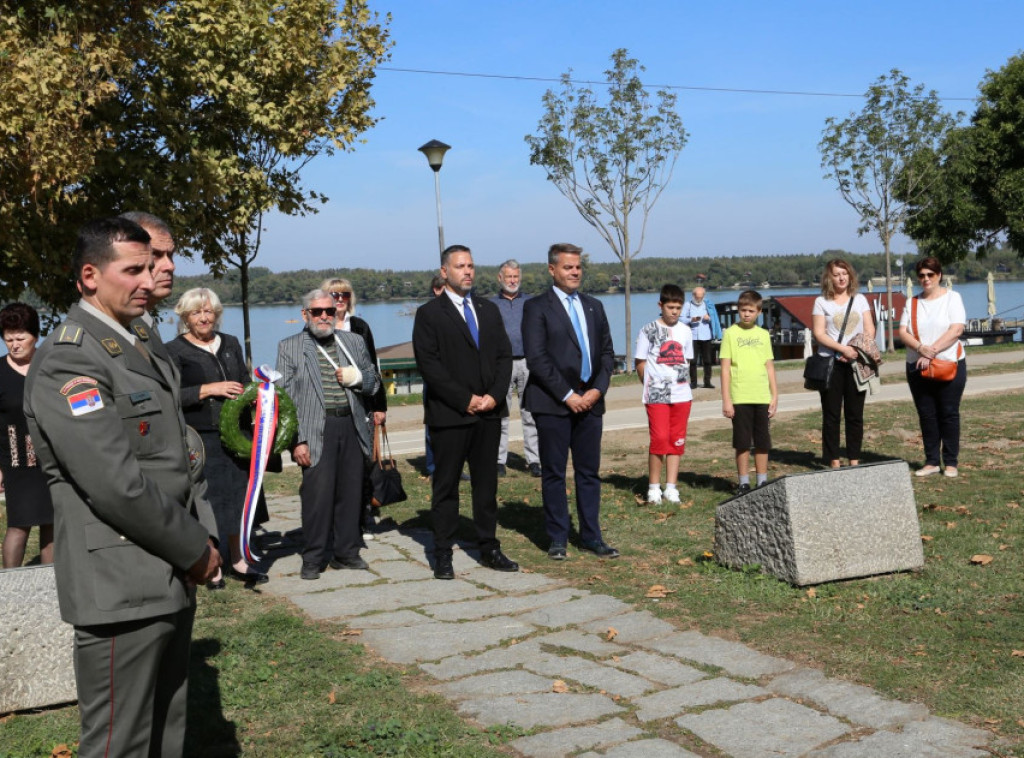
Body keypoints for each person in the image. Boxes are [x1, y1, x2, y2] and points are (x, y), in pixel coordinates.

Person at [24, 217, 220, 758]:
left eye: (149, 266)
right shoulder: (70, 357)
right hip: (121, 586)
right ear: (89, 276)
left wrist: (201, 540)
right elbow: (116, 484)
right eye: (132, 269)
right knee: (121, 744)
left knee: (167, 732)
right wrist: (194, 548)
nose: (148, 278)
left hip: (167, 572)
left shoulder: (135, 340)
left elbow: (175, 457)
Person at [413, 245, 518, 580]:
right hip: (451, 415)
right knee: (446, 488)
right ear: (445, 272)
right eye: (460, 266)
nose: (468, 271)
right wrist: (465, 399)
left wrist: (494, 395)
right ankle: (443, 552)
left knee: (486, 487)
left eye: (471, 265)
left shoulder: (488, 309)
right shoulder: (429, 314)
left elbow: (504, 356)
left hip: (488, 414)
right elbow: (429, 365)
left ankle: (488, 547)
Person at [523, 243, 617, 560]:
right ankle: (558, 538)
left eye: (577, 267)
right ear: (552, 270)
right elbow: (537, 358)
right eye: (568, 267)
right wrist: (568, 395)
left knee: (589, 472)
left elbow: (607, 355)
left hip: (591, 402)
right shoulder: (536, 307)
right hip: (553, 403)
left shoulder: (594, 306)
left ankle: (591, 536)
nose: (574, 272)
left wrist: (595, 391)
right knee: (554, 472)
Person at [166, 288, 265, 588]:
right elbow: (170, 395)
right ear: (185, 316)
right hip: (201, 437)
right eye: (196, 312)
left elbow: (245, 382)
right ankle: (212, 564)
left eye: (208, 311)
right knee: (207, 501)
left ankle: (238, 559)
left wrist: (257, 395)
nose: (204, 317)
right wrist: (209, 389)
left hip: (238, 435)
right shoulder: (174, 350)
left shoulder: (232, 344)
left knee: (238, 497)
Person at [276, 289, 378, 580]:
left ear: (337, 312)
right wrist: (297, 441)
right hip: (315, 430)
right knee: (317, 498)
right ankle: (314, 557)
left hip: (351, 425)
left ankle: (346, 553)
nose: (324, 316)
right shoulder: (290, 347)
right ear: (305, 314)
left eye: (329, 311)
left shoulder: (354, 342)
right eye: (317, 311)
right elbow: (285, 400)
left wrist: (358, 378)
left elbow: (373, 383)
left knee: (351, 493)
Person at [321, 277, 387, 539]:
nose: (339, 299)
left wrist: (380, 406)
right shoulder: (318, 325)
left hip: (361, 403)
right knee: (332, 468)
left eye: (344, 294)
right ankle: (332, 521)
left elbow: (373, 367)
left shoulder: (360, 326)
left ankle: (362, 519)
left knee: (361, 465)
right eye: (334, 294)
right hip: (330, 405)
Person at [898, 256, 967, 478]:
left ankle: (951, 462)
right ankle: (931, 461)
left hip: (949, 364)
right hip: (917, 366)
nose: (926, 279)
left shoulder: (953, 298)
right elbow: (903, 332)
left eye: (930, 274)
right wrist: (920, 349)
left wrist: (932, 351)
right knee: (926, 414)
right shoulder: (912, 303)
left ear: (939, 275)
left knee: (948, 413)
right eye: (922, 275)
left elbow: (956, 330)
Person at [0, 303, 54, 567]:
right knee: (19, 524)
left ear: (36, 336)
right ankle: (9, 587)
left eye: (21, 338)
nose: (14, 345)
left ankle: (49, 585)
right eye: (8, 339)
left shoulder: (51, 365)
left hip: (53, 456)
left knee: (51, 522)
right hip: (15, 459)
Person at [811, 260, 875, 468]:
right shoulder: (821, 302)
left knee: (855, 414)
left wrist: (856, 350)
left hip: (857, 362)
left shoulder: (860, 299)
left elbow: (869, 329)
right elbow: (819, 333)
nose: (841, 278)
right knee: (831, 415)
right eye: (837, 274)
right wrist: (842, 349)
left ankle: (854, 459)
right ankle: (834, 459)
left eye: (844, 273)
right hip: (831, 363)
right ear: (829, 278)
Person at [634, 284, 694, 505]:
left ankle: (671, 487)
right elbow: (640, 361)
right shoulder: (648, 330)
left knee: (676, 440)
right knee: (659, 439)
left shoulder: (686, 331)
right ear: (661, 305)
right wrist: (648, 383)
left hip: (681, 394)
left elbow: (686, 360)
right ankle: (653, 487)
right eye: (670, 307)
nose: (674, 312)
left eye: (678, 307)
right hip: (657, 394)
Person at [720, 289, 778, 494]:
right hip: (740, 396)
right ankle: (743, 482)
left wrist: (774, 395)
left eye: (751, 311)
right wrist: (727, 399)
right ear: (739, 310)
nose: (746, 314)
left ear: (759, 312)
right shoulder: (730, 334)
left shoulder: (763, 335)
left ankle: (762, 481)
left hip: (761, 396)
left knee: (762, 441)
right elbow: (725, 369)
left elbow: (769, 366)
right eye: (743, 310)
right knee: (742, 442)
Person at [491, 259, 541, 478]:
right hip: (501, 365)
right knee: (501, 414)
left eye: (516, 277)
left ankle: (535, 460)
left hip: (527, 363)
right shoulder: (491, 305)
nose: (512, 281)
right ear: (500, 278)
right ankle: (498, 461)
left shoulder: (531, 303)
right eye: (509, 277)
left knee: (530, 414)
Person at [423, 274, 446, 478]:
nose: (444, 293)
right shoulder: (427, 315)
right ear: (435, 290)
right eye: (440, 289)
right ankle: (433, 467)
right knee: (433, 427)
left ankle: (452, 466)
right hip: (433, 380)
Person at [681, 286, 716, 388]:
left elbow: (714, 318)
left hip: (706, 336)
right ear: (693, 295)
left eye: (701, 297)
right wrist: (692, 319)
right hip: (693, 337)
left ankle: (707, 382)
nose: (699, 299)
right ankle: (693, 382)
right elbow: (681, 319)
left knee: (708, 360)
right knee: (693, 361)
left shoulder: (707, 304)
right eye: (697, 297)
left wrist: (708, 318)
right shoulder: (688, 305)